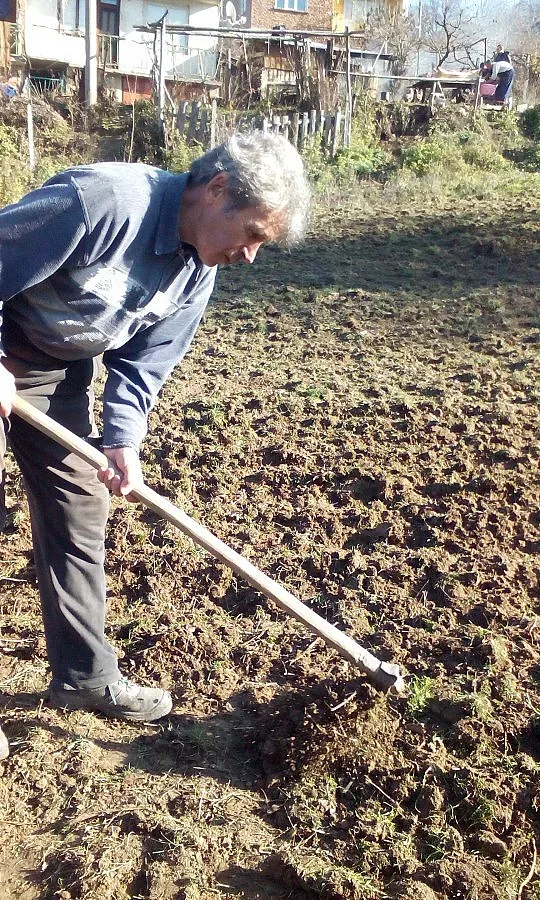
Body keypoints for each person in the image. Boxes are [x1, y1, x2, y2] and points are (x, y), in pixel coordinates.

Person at [0, 132, 310, 759]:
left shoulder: (196, 272)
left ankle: (84, 677)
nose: (251, 256)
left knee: (78, 509)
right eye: (252, 233)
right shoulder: (103, 202)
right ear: (216, 189)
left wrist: (122, 441)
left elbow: (143, 367)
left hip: (54, 370)